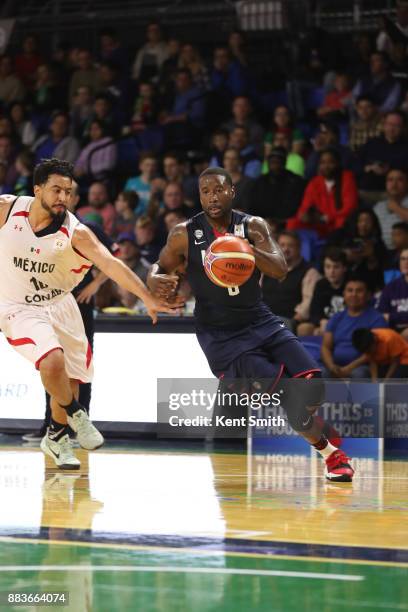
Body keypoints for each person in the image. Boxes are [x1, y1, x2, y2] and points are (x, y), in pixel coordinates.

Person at [147, 167, 354, 482]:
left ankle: (315, 424)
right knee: (288, 395)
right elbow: (159, 268)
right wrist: (154, 278)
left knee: (314, 385)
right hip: (221, 335)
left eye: (218, 190)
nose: (212, 197)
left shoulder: (252, 225)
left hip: (259, 319)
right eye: (205, 191)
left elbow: (281, 268)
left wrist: (241, 249)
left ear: (232, 191)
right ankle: (331, 455)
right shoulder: (183, 233)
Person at [0, 158, 177, 468]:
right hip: (16, 303)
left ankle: (56, 438)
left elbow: (112, 264)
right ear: (37, 189)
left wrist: (147, 298)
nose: (63, 198)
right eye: (56, 190)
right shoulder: (7, 209)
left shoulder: (77, 232)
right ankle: (77, 414)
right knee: (51, 359)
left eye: (68, 192)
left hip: (60, 303)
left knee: (71, 377)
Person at [321, 277, 388, 379]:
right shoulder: (336, 317)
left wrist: (347, 369)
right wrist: (331, 366)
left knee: (359, 374)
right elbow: (326, 347)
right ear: (344, 294)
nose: (353, 294)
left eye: (359, 291)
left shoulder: (377, 319)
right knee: (319, 373)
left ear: (368, 295)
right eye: (350, 290)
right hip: (335, 365)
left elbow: (374, 352)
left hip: (361, 367)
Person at [288, 148, 358, 237]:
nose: (326, 166)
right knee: (292, 223)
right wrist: (305, 215)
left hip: (337, 221)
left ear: (338, 163)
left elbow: (349, 208)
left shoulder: (347, 178)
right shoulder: (315, 182)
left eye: (330, 162)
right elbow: (305, 206)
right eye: (322, 163)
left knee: (342, 222)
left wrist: (327, 217)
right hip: (320, 223)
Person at [262, 230, 321, 332]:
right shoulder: (267, 268)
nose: (285, 249)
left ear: (299, 248)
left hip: (288, 321)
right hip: (264, 318)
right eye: (282, 245)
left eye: (290, 246)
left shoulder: (310, 272)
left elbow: (307, 303)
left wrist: (294, 320)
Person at [297, 247, 348, 336]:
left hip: (345, 324)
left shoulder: (350, 285)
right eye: (328, 267)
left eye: (336, 267)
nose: (331, 271)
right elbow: (314, 312)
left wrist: (332, 324)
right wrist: (321, 321)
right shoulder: (321, 285)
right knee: (303, 328)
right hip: (323, 325)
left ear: (344, 268)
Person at [378, 248, 408, 340]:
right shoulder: (390, 287)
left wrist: (391, 317)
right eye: (403, 259)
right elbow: (381, 316)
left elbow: (388, 316)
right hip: (393, 335)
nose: (405, 263)